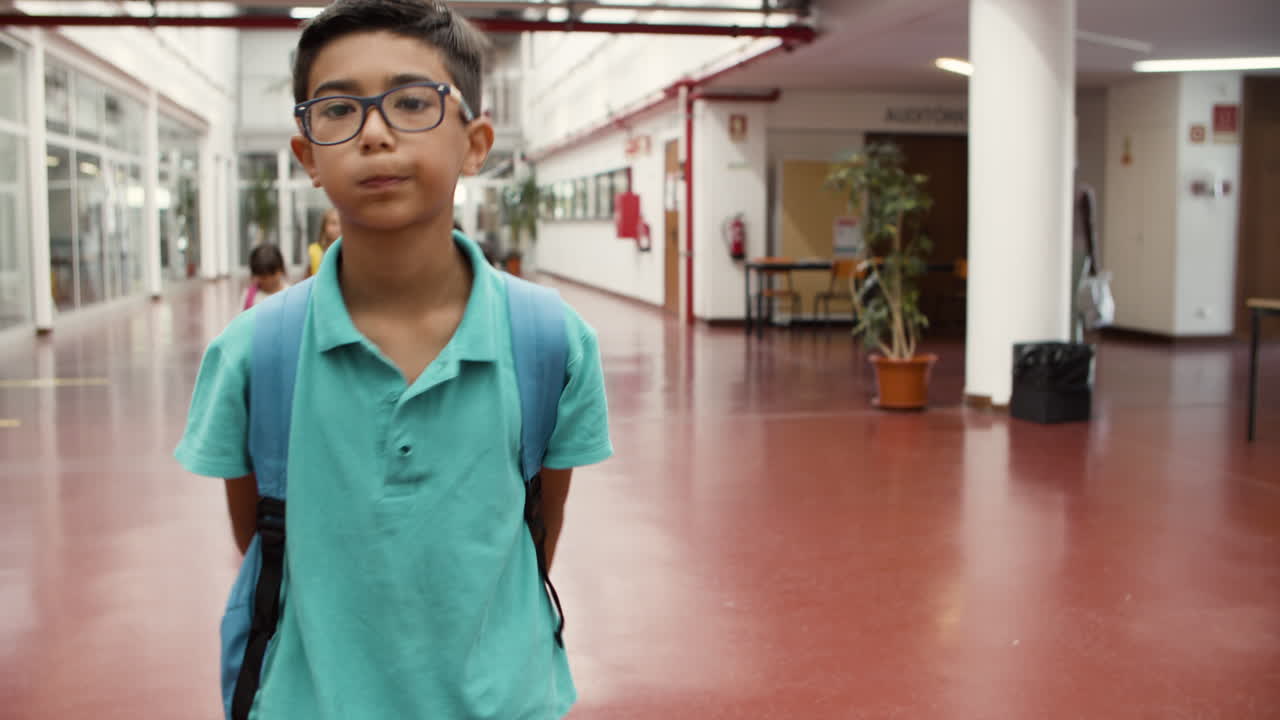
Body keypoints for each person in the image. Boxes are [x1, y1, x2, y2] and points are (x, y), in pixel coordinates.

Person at [174, 1, 612, 718]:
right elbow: (266, 543)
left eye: (412, 102)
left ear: (475, 143)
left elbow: (535, 530)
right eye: (339, 110)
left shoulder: (549, 341)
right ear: (308, 154)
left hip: (505, 702)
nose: (374, 133)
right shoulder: (256, 354)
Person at [242, 244, 289, 310]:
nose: (268, 280)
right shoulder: (249, 296)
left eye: (272, 274)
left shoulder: (290, 295)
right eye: (263, 276)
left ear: (281, 269)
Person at [305, 207, 340, 278]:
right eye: (333, 223)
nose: (338, 228)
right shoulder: (313, 250)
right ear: (324, 226)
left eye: (341, 224)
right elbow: (306, 276)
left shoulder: (350, 251)